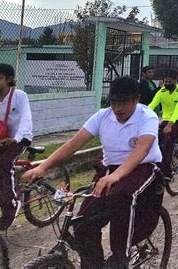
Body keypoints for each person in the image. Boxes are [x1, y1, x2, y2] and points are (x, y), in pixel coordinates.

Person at [22, 76, 164, 268]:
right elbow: (73, 144)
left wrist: (115, 176)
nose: (117, 108)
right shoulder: (102, 116)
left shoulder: (147, 116)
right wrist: (42, 167)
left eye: (123, 103)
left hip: (142, 167)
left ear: (136, 99)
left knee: (122, 195)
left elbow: (141, 150)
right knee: (83, 223)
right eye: (114, 102)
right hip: (110, 169)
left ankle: (121, 257)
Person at [0, 64, 33, 231]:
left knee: (4, 165)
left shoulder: (20, 96)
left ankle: (11, 205)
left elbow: (26, 118)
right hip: (2, 139)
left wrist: (17, 138)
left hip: (20, 138)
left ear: (9, 79)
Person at [148, 69, 178, 177]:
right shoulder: (161, 92)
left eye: (169, 82)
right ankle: (157, 161)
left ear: (175, 81)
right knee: (155, 137)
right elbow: (152, 105)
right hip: (167, 118)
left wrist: (170, 125)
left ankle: (167, 169)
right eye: (165, 82)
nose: (167, 84)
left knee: (169, 139)